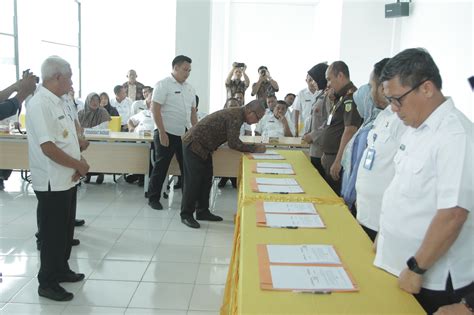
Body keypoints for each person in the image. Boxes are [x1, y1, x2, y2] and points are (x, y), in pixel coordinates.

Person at [373, 48, 474, 314]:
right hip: (400, 266)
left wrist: (417, 267)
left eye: (397, 100)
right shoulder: (416, 129)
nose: (394, 109)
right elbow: (403, 192)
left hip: (431, 278)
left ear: (426, 88)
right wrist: (384, 236)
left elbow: (453, 214)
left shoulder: (455, 135)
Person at [26, 56, 89, 301]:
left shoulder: (61, 100)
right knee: (52, 235)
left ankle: (61, 269)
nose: (72, 81)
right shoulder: (40, 103)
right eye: (70, 76)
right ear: (57, 77)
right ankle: (47, 282)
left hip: (69, 177)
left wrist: (79, 157)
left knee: (64, 230)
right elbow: (48, 147)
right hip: (53, 180)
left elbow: (66, 135)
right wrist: (79, 165)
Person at [180, 100, 266, 228]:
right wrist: (254, 148)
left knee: (206, 180)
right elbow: (233, 143)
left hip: (204, 148)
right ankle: (186, 214)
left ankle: (202, 211)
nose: (257, 121)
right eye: (257, 117)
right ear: (249, 110)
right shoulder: (236, 116)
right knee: (193, 182)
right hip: (194, 145)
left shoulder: (238, 115)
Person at [353, 58, 407, 241]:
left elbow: (404, 178)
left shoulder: (403, 121)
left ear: (385, 86)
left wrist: (387, 230)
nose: (370, 94)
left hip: (382, 225)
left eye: (372, 86)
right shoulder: (382, 117)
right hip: (366, 215)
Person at [147, 55, 198, 210]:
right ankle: (153, 197)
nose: (187, 73)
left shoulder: (190, 88)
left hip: (184, 133)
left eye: (189, 70)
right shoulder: (163, 85)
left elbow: (193, 113)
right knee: (161, 166)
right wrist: (161, 132)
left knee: (187, 168)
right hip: (166, 132)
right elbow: (154, 109)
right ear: (175, 68)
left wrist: (196, 133)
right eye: (185, 69)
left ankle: (188, 199)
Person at [320, 61, 362, 195]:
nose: (328, 84)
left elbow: (350, 130)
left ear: (340, 76)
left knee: (334, 200)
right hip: (330, 156)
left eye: (329, 79)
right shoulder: (341, 98)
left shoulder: (351, 97)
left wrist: (338, 160)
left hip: (338, 159)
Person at [302, 62, 330, 176]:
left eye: (314, 79)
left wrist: (312, 136)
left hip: (321, 150)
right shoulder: (320, 95)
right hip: (314, 148)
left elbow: (329, 123)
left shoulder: (328, 97)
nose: (313, 83)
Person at [293, 69, 323, 137]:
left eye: (313, 80)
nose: (312, 82)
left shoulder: (321, 92)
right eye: (309, 80)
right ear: (306, 80)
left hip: (318, 130)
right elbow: (296, 112)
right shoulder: (301, 93)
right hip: (303, 131)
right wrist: (296, 131)